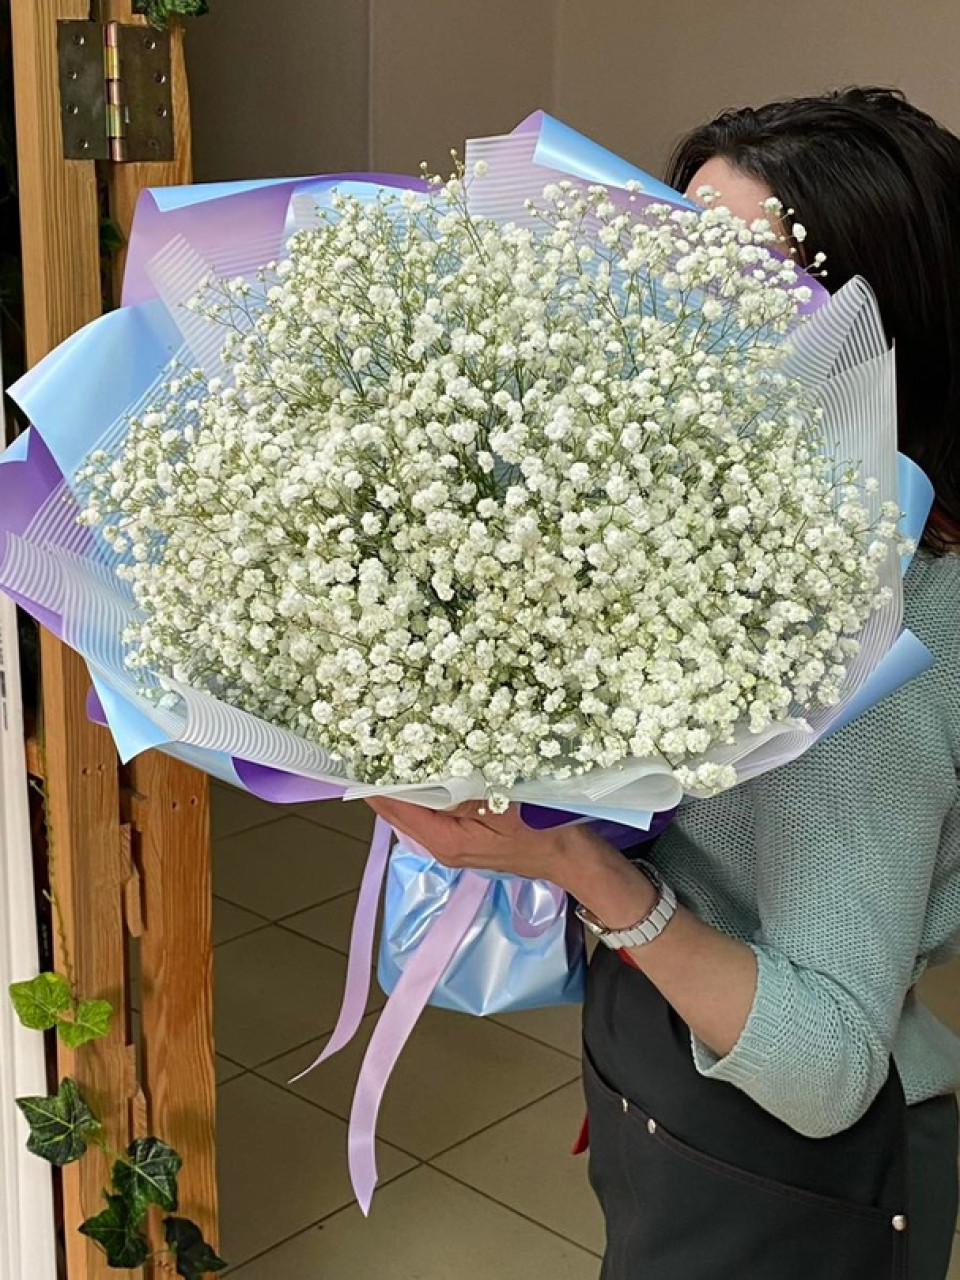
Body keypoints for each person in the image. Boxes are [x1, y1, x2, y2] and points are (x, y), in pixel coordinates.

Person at [368, 87, 960, 1280]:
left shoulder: (879, 639)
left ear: (879, 326)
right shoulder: (718, 529)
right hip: (675, 1067)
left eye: (746, 283)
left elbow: (828, 1063)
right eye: (673, 255)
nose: (678, 311)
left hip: (800, 1170)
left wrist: (572, 864)